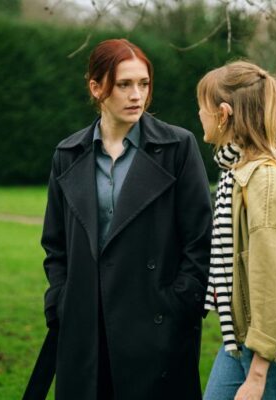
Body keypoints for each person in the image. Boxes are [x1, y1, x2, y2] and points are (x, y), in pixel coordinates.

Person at [31, 39, 212, 400]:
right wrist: (60, 302)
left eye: (143, 84)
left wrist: (177, 305)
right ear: (96, 88)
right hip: (85, 328)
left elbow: (200, 239)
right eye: (124, 84)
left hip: (156, 327)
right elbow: (55, 243)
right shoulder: (68, 154)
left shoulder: (178, 148)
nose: (136, 95)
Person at [198, 61, 276, 400]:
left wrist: (257, 375)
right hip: (244, 340)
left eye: (202, 106)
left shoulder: (264, 179)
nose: (199, 114)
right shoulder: (236, 173)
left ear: (223, 114)